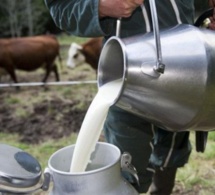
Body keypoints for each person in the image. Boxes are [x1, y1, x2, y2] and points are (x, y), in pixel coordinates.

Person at [44, 0, 215, 194]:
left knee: (170, 152)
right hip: (126, 72)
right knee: (127, 163)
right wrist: (100, 7)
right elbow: (61, 7)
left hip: (187, 65)